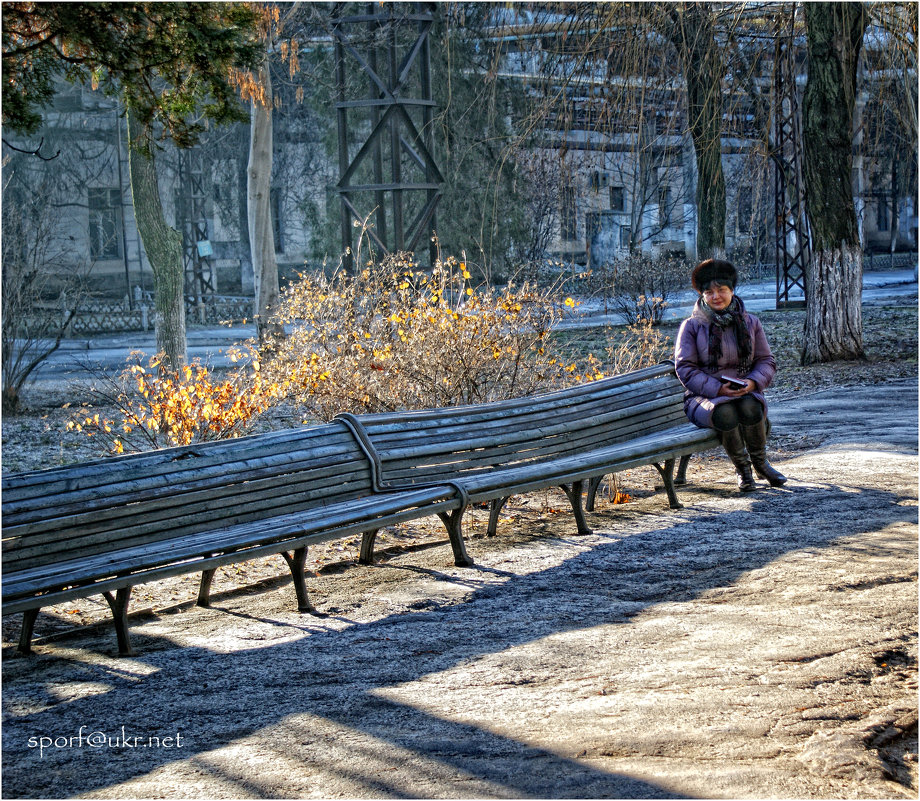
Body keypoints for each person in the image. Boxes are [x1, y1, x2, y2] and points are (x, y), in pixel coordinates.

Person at [674, 258, 787, 492]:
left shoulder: (750, 322)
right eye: (709, 292)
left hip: (743, 391)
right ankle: (743, 471)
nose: (716, 296)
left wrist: (753, 382)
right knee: (725, 412)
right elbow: (685, 368)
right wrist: (716, 389)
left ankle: (761, 464)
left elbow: (766, 360)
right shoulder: (692, 326)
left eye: (721, 290)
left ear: (732, 291)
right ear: (703, 295)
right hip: (703, 397)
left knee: (750, 408)